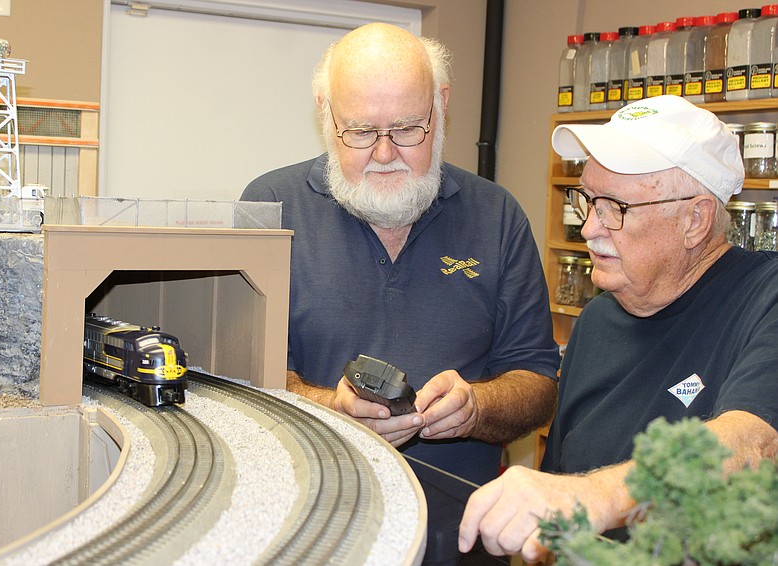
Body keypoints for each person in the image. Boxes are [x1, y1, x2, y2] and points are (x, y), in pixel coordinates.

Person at [459, 95, 778, 562]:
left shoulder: (764, 298)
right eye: (588, 200)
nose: (589, 228)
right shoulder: (596, 321)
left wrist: (596, 498)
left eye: (615, 207)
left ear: (695, 220)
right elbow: (559, 487)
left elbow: (753, 445)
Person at [240, 22, 560, 486]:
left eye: (409, 129)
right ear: (326, 114)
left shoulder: (497, 215)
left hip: (458, 533)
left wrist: (476, 407)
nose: (385, 153)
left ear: (441, 105)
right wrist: (333, 409)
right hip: (306, 520)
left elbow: (538, 383)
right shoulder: (268, 206)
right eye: (361, 131)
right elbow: (237, 375)